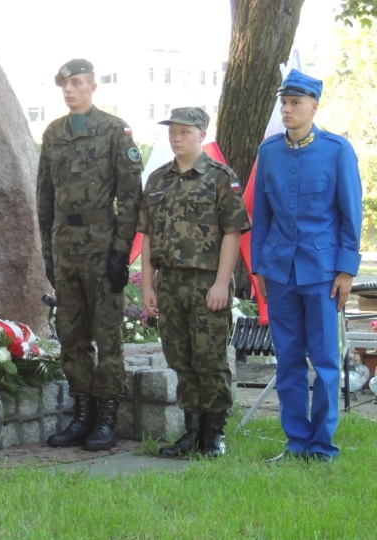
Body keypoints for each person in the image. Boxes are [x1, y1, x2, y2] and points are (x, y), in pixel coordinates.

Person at [252, 70, 363, 464]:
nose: (287, 109)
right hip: (279, 271)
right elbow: (261, 218)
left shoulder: (337, 150)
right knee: (288, 358)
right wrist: (260, 269)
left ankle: (322, 446)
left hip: (322, 272)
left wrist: (347, 270)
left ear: (314, 107)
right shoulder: (269, 152)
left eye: (296, 103)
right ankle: (296, 441)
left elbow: (351, 214)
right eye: (284, 102)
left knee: (327, 361)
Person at [38, 58, 143, 451]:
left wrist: (121, 252)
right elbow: (43, 196)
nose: (69, 89)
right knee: (72, 333)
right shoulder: (53, 134)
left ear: (93, 87)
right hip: (66, 244)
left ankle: (106, 419)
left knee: (107, 334)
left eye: (77, 83)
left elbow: (131, 197)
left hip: (102, 245)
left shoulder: (115, 131)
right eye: (64, 84)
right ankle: (81, 415)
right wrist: (48, 250)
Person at [138, 107, 250, 458]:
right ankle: (191, 432)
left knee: (210, 359)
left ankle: (214, 434)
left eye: (185, 132)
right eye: (173, 131)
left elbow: (232, 233)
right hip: (170, 283)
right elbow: (148, 236)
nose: (176, 137)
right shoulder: (157, 179)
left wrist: (221, 283)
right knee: (180, 358)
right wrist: (146, 286)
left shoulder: (220, 176)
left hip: (206, 283)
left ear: (201, 134)